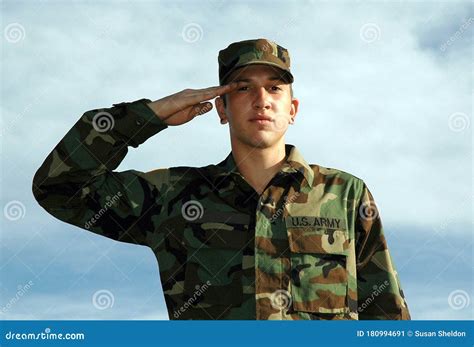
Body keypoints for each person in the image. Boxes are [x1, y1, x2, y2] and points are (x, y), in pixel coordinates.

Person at [32, 38, 411, 320]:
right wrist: (151, 114)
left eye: (275, 88)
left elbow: (387, 316)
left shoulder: (344, 194)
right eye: (243, 87)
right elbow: (60, 187)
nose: (261, 99)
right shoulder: (175, 197)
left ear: (291, 109)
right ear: (222, 109)